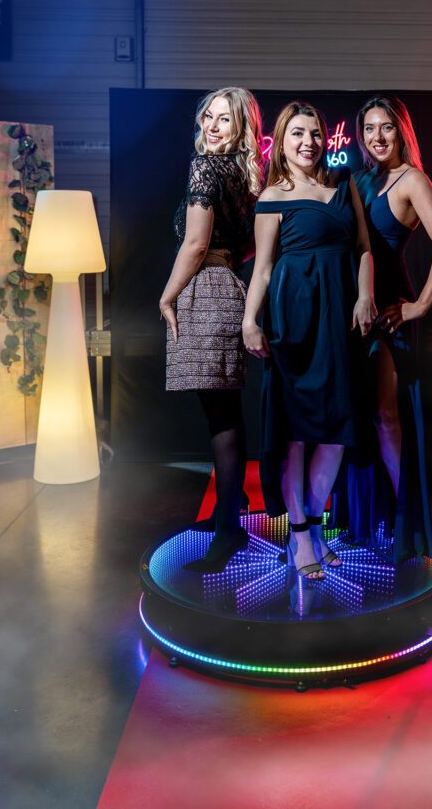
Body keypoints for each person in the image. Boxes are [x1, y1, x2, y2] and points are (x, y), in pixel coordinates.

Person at [242, 101, 375, 580]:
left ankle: (316, 525)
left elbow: (363, 248)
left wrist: (365, 296)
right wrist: (249, 321)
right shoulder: (272, 196)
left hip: (339, 318)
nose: (308, 142)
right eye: (297, 133)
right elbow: (263, 268)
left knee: (337, 430)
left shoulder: (343, 184)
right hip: (294, 319)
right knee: (295, 432)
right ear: (281, 142)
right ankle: (300, 534)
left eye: (315, 133)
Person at [349, 94, 432, 562]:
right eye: (369, 128)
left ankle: (405, 523)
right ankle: (365, 520)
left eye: (386, 127)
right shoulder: (359, 179)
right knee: (361, 417)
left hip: (389, 310)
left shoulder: (412, 180)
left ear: (401, 132)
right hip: (354, 312)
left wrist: (419, 307)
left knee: (386, 416)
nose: (377, 137)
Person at [159, 87, 264, 572]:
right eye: (208, 117)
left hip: (205, 291)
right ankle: (230, 509)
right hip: (229, 289)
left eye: (224, 119)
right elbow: (251, 243)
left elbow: (196, 244)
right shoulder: (245, 174)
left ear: (241, 126)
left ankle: (228, 530)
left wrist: (167, 296)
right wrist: (227, 261)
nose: (213, 126)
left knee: (221, 418)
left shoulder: (205, 167)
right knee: (225, 414)